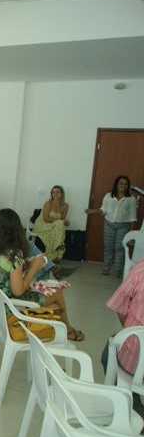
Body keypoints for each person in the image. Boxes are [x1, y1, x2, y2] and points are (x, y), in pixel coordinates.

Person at [0, 208, 85, 341]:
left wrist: (25, 264)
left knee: (55, 308)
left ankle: (61, 329)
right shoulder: (13, 255)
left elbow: (4, 272)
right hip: (4, 308)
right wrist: (34, 268)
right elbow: (18, 291)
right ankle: (67, 331)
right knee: (56, 294)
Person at [103, 258, 144, 414]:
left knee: (109, 352)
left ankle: (132, 405)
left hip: (137, 359)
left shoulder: (140, 269)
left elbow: (121, 309)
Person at [85, 175, 138, 277]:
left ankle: (118, 270)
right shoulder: (108, 196)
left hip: (123, 226)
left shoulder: (131, 199)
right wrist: (93, 211)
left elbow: (132, 218)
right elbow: (103, 210)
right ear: (116, 185)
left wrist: (131, 234)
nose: (123, 186)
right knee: (108, 247)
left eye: (126, 184)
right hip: (109, 224)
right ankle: (106, 268)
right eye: (121, 183)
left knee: (120, 248)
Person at [32, 185, 70, 261]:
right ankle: (58, 249)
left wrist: (65, 222)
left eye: (58, 192)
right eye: (53, 192)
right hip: (42, 224)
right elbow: (46, 218)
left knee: (60, 225)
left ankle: (55, 250)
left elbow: (62, 220)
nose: (55, 194)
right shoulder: (48, 203)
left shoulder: (65, 206)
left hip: (54, 225)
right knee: (59, 224)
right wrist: (60, 221)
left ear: (62, 194)